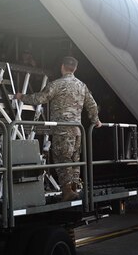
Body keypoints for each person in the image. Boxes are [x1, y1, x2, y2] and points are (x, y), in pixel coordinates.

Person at [15, 56, 101, 201]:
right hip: (77, 130)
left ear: (62, 67)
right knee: (75, 160)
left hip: (62, 130)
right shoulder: (82, 86)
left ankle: (67, 191)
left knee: (62, 159)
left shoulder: (56, 84)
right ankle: (74, 189)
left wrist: (21, 96)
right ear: (75, 69)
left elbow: (40, 99)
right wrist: (96, 121)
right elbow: (92, 105)